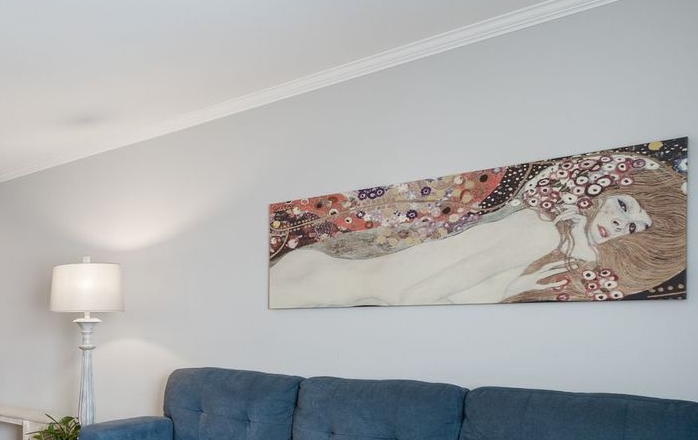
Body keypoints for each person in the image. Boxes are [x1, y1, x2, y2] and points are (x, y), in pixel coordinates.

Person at [268, 152, 686, 307]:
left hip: (320, 273)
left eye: (635, 226)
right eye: (625, 206)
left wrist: (508, 289)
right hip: (322, 282)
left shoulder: (545, 232)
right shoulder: (542, 233)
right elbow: (413, 295)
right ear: (600, 188)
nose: (621, 224)